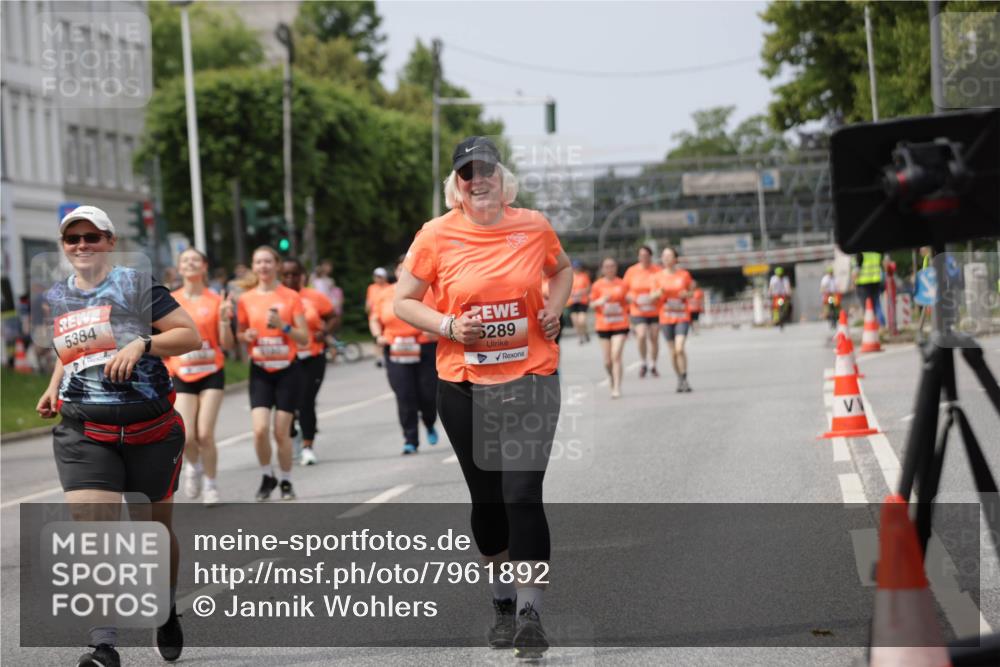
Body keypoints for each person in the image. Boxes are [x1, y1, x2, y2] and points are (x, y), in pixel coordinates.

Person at [394, 136, 571, 660]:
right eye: (468, 173)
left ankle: (530, 612)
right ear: (456, 185)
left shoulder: (533, 225)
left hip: (532, 378)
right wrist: (449, 324)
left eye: (486, 169)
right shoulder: (436, 235)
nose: (479, 179)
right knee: (489, 502)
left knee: (522, 494)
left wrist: (555, 309)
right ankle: (500, 599)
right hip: (464, 385)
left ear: (502, 176)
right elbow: (403, 301)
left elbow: (560, 270)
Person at [34, 205, 201, 667]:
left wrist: (141, 343)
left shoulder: (137, 286)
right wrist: (53, 388)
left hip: (151, 428)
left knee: (154, 531)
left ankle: (165, 607)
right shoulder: (60, 295)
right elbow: (69, 350)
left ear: (110, 241)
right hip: (86, 430)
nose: (82, 245)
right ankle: (103, 644)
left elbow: (190, 337)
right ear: (64, 246)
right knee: (93, 531)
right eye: (73, 239)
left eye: (92, 237)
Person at [236, 246, 310, 501]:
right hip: (260, 370)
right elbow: (240, 333)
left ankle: (287, 481)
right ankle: (268, 475)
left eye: (268, 261)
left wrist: (284, 326)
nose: (264, 266)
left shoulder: (290, 296)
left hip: (288, 370)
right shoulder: (246, 299)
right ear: (253, 267)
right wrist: (245, 335)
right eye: (259, 262)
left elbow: (304, 338)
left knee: (281, 431)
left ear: (276, 265)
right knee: (259, 430)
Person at [163, 248, 234, 506]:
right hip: (181, 372)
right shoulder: (170, 301)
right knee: (187, 435)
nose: (190, 264)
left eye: (195, 260)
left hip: (211, 371)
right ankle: (194, 466)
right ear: (179, 268)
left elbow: (227, 344)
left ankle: (211, 485)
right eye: (185, 260)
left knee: (205, 433)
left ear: (204, 267)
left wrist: (225, 321)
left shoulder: (216, 300)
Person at [369, 256, 440, 454]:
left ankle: (429, 421)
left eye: (407, 269)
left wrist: (434, 330)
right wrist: (377, 336)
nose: (403, 273)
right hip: (395, 348)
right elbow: (375, 319)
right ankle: (410, 439)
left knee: (427, 394)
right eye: (401, 270)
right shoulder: (384, 294)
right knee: (404, 395)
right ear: (396, 273)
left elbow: (442, 316)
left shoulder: (428, 291)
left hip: (424, 348)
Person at [280, 258, 335, 466]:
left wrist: (325, 331)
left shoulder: (314, 297)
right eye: (285, 275)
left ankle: (307, 446)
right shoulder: (276, 298)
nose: (290, 278)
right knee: (287, 403)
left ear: (302, 275)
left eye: (294, 274)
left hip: (312, 356)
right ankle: (293, 432)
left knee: (306, 401)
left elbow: (332, 316)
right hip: (286, 358)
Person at [650, 247, 695, 392]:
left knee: (679, 348)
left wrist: (686, 294)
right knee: (673, 352)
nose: (666, 258)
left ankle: (684, 377)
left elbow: (692, 292)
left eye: (669, 256)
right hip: (666, 317)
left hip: (682, 316)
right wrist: (659, 293)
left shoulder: (684, 275)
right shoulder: (657, 277)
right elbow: (652, 296)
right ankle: (680, 379)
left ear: (676, 259)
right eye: (664, 256)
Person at [589, 257, 629, 398]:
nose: (610, 269)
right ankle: (612, 379)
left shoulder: (622, 284)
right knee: (607, 361)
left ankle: (617, 387)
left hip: (620, 323)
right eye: (607, 266)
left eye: (612, 266)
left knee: (616, 355)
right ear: (603, 269)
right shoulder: (597, 285)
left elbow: (628, 302)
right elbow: (591, 304)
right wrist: (600, 301)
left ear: (616, 268)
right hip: (604, 325)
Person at [623, 245, 662, 378]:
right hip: (638, 309)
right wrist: (631, 297)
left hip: (654, 310)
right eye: (641, 256)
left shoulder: (657, 271)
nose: (643, 258)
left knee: (654, 336)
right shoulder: (631, 271)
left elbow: (663, 289)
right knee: (641, 334)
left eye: (646, 256)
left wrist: (655, 295)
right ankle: (643, 362)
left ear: (650, 256)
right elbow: (625, 290)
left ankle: (653, 364)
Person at [366, 267, 392, 367]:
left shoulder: (388, 287)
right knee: (376, 338)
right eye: (376, 277)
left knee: (385, 336)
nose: (378, 279)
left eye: (380, 277)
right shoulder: (371, 288)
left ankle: (386, 355)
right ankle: (379, 358)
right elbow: (369, 302)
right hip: (375, 316)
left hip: (385, 316)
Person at [854, 251, 884, 326]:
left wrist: (854, 281)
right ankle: (882, 325)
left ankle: (870, 326)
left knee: (867, 307)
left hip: (863, 283)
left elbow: (857, 269)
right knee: (877, 305)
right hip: (876, 282)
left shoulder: (861, 252)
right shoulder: (876, 252)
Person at [567, 260, 591, 344]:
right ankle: (580, 337)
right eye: (575, 267)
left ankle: (585, 332)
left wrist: (581, 292)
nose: (576, 269)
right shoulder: (569, 276)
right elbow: (565, 288)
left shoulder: (584, 276)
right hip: (572, 301)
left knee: (582, 320)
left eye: (578, 267)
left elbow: (588, 288)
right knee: (575, 321)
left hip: (582, 301)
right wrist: (572, 292)